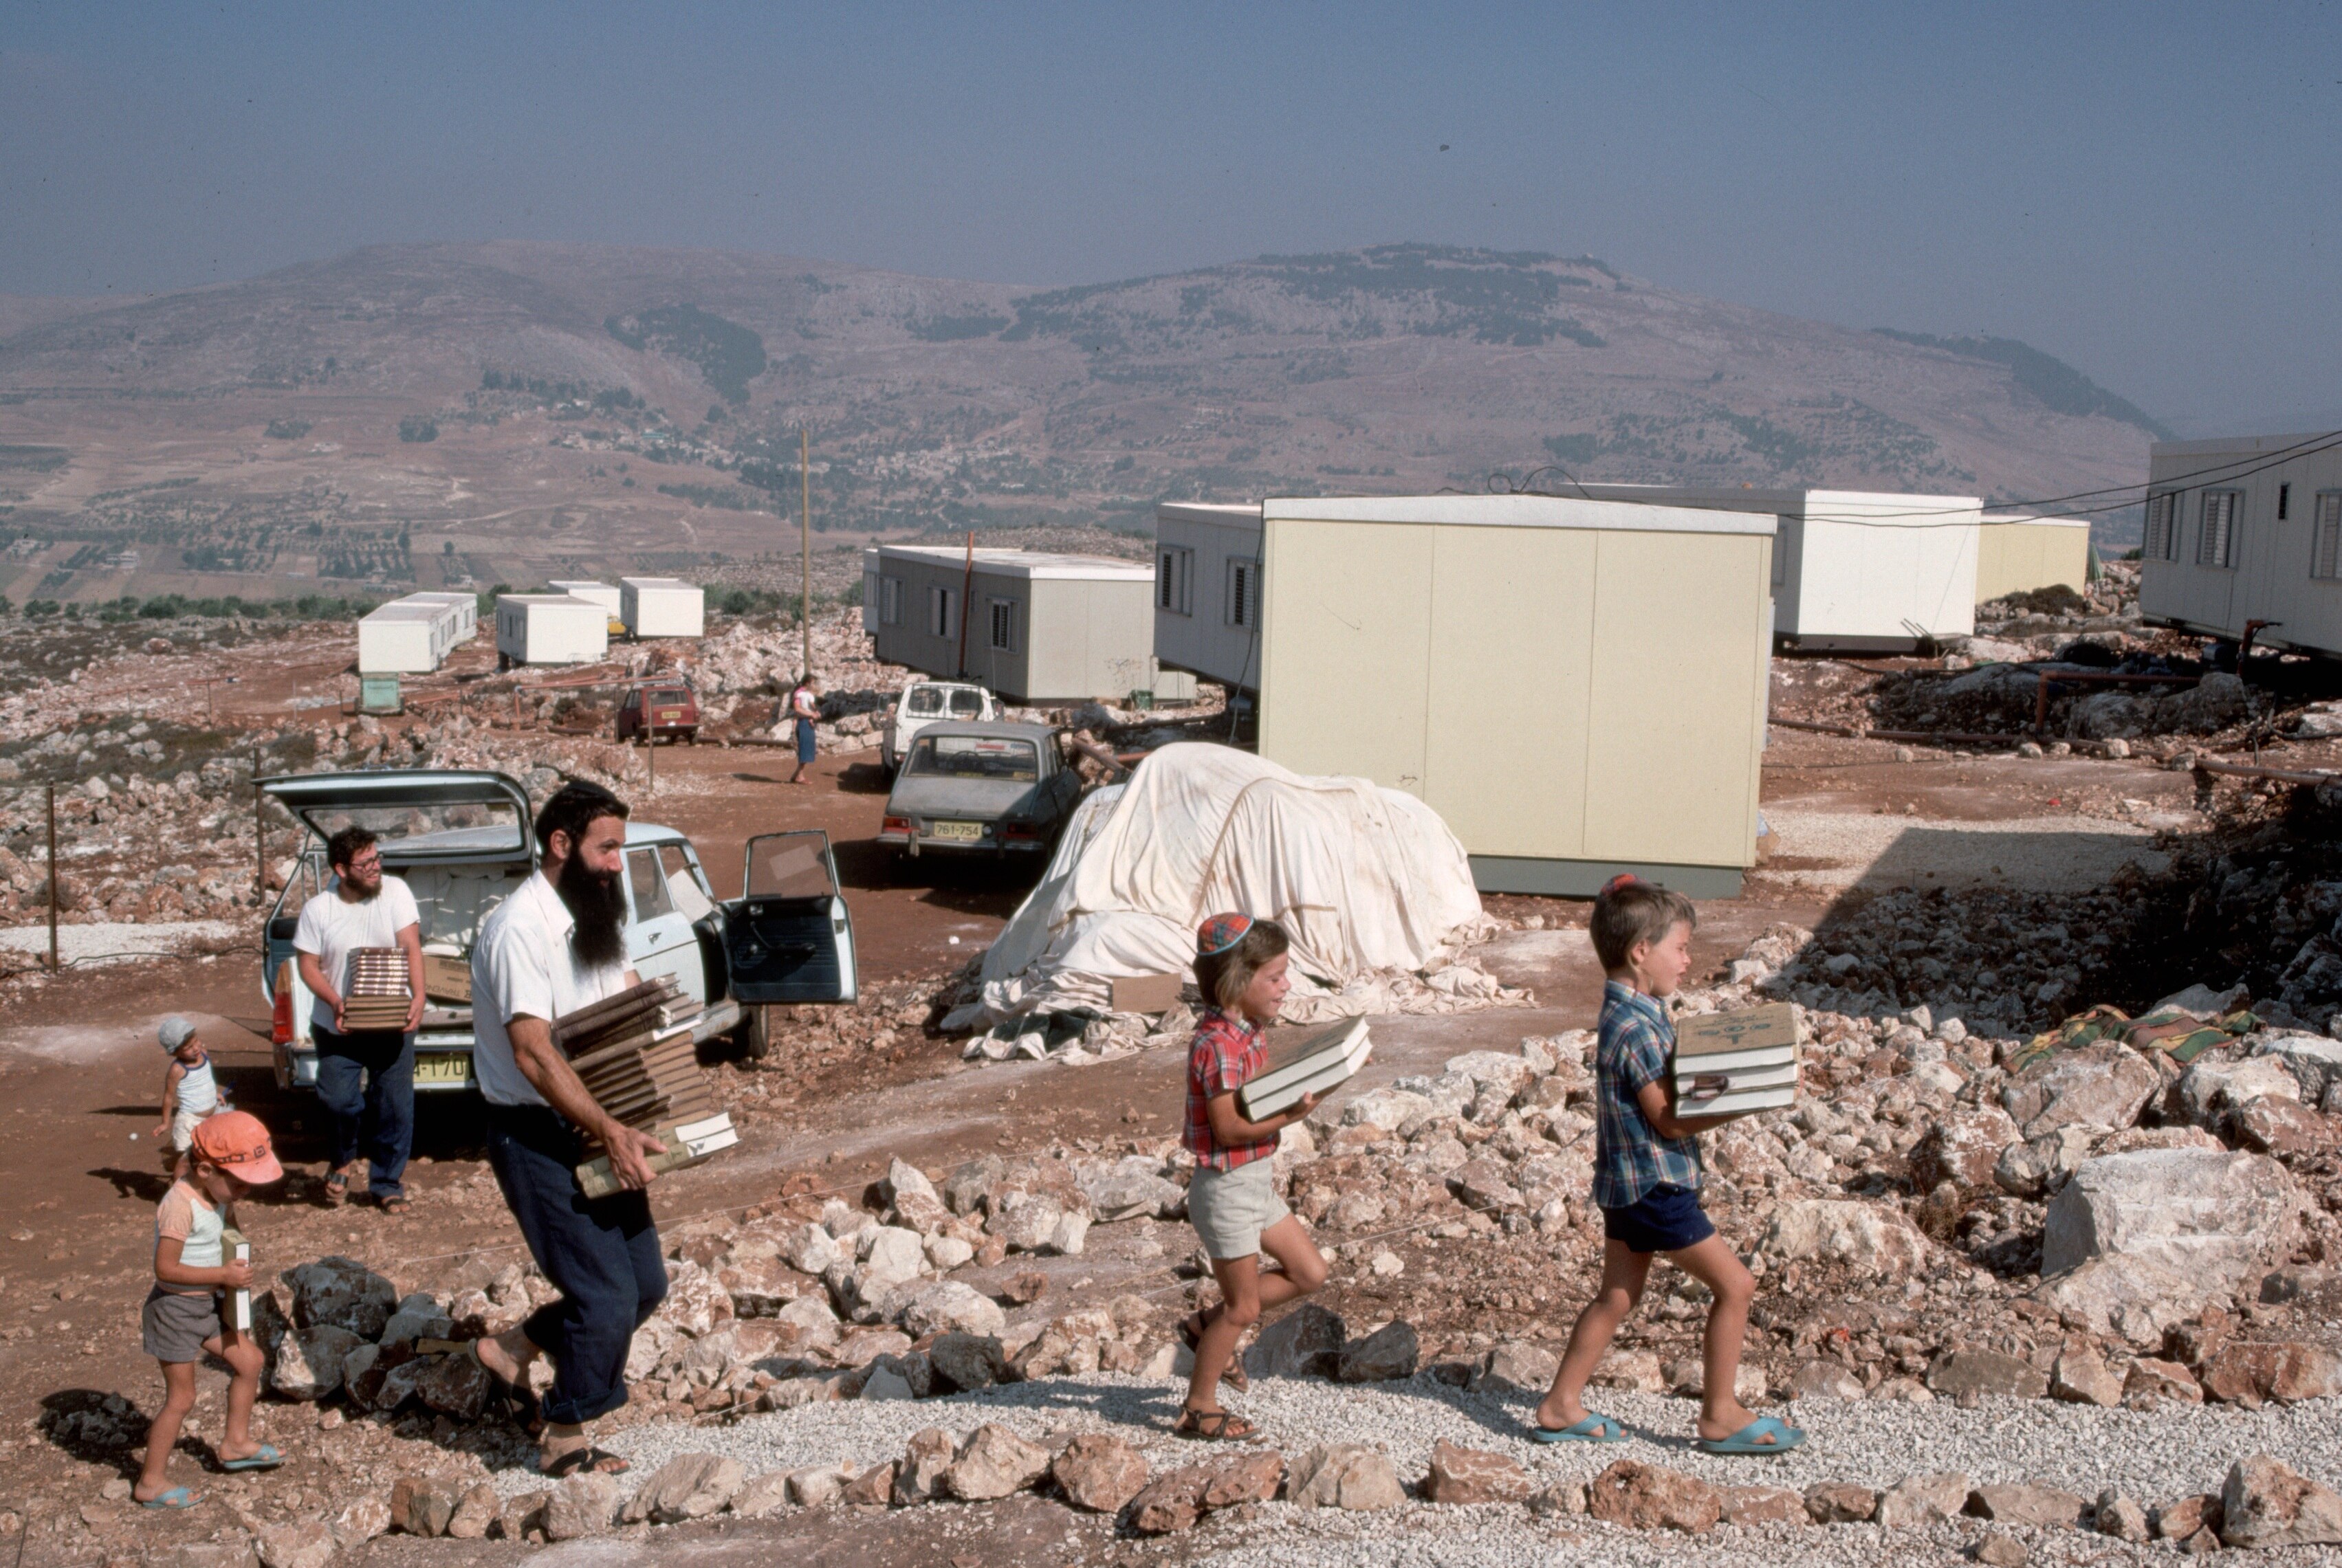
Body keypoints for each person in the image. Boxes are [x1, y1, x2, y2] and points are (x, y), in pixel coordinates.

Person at [1531, 876, 1804, 1455]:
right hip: (1655, 1187)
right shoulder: (1633, 1027)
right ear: (1640, 953)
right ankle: (1719, 1413)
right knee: (1736, 1284)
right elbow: (1670, 1120)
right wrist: (1748, 1094)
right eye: (1679, 948)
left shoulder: (1634, 1010)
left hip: (1626, 1184)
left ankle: (1560, 1403)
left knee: (1616, 1297)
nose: (1687, 960)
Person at [468, 780, 668, 1477]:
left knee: (644, 1286)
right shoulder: (517, 927)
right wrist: (609, 1128)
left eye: (620, 847)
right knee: (605, 1294)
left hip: (600, 1118)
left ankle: (514, 1347)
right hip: (538, 1135)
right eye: (606, 847)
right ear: (560, 844)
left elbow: (621, 996)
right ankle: (564, 1429)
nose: (617, 863)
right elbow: (531, 1051)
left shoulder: (593, 912)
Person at [1174, 913, 1328, 1442]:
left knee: (1309, 1272)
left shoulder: (1248, 1032)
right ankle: (1200, 1403)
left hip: (1252, 1181)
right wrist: (1292, 1116)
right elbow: (1228, 1126)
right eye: (1276, 977)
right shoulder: (1217, 1046)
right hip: (1226, 1189)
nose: (1287, 987)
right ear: (1238, 982)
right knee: (1244, 1306)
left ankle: (1204, 1327)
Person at [134, 1110, 286, 1508]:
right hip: (174, 1311)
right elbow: (164, 1268)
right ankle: (150, 1481)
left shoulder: (216, 1194)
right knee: (181, 1399)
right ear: (205, 1169)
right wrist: (223, 1274)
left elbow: (226, 1227)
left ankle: (235, 1443)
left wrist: (233, 1255)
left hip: (207, 1305)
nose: (244, 1193)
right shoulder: (179, 1205)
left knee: (250, 1362)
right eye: (239, 1184)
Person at [293, 826, 425, 1213]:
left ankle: (386, 1183)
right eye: (365, 863)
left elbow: (411, 945)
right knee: (338, 1101)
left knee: (394, 1105)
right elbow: (308, 966)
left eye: (376, 858)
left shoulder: (396, 891)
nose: (375, 867)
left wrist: (418, 996)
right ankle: (342, 1158)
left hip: (391, 1021)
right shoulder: (319, 910)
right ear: (341, 869)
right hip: (338, 1026)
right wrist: (335, 1000)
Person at [152, 1016, 226, 1173]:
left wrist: (215, 1094)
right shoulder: (177, 1070)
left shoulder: (204, 1054)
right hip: (189, 1121)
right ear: (175, 1053)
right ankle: (178, 1185)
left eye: (196, 1041)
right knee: (186, 1158)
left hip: (211, 1116)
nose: (196, 1048)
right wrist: (165, 1123)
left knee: (211, 1152)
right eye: (188, 1048)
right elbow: (168, 1097)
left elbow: (206, 1078)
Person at [784, 673, 823, 786]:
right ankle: (800, 777)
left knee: (807, 749)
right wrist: (812, 714)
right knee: (805, 750)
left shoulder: (806, 694)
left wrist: (815, 713)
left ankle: (796, 775)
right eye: (813, 682)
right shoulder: (799, 694)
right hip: (803, 723)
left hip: (806, 722)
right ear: (808, 683)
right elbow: (798, 709)